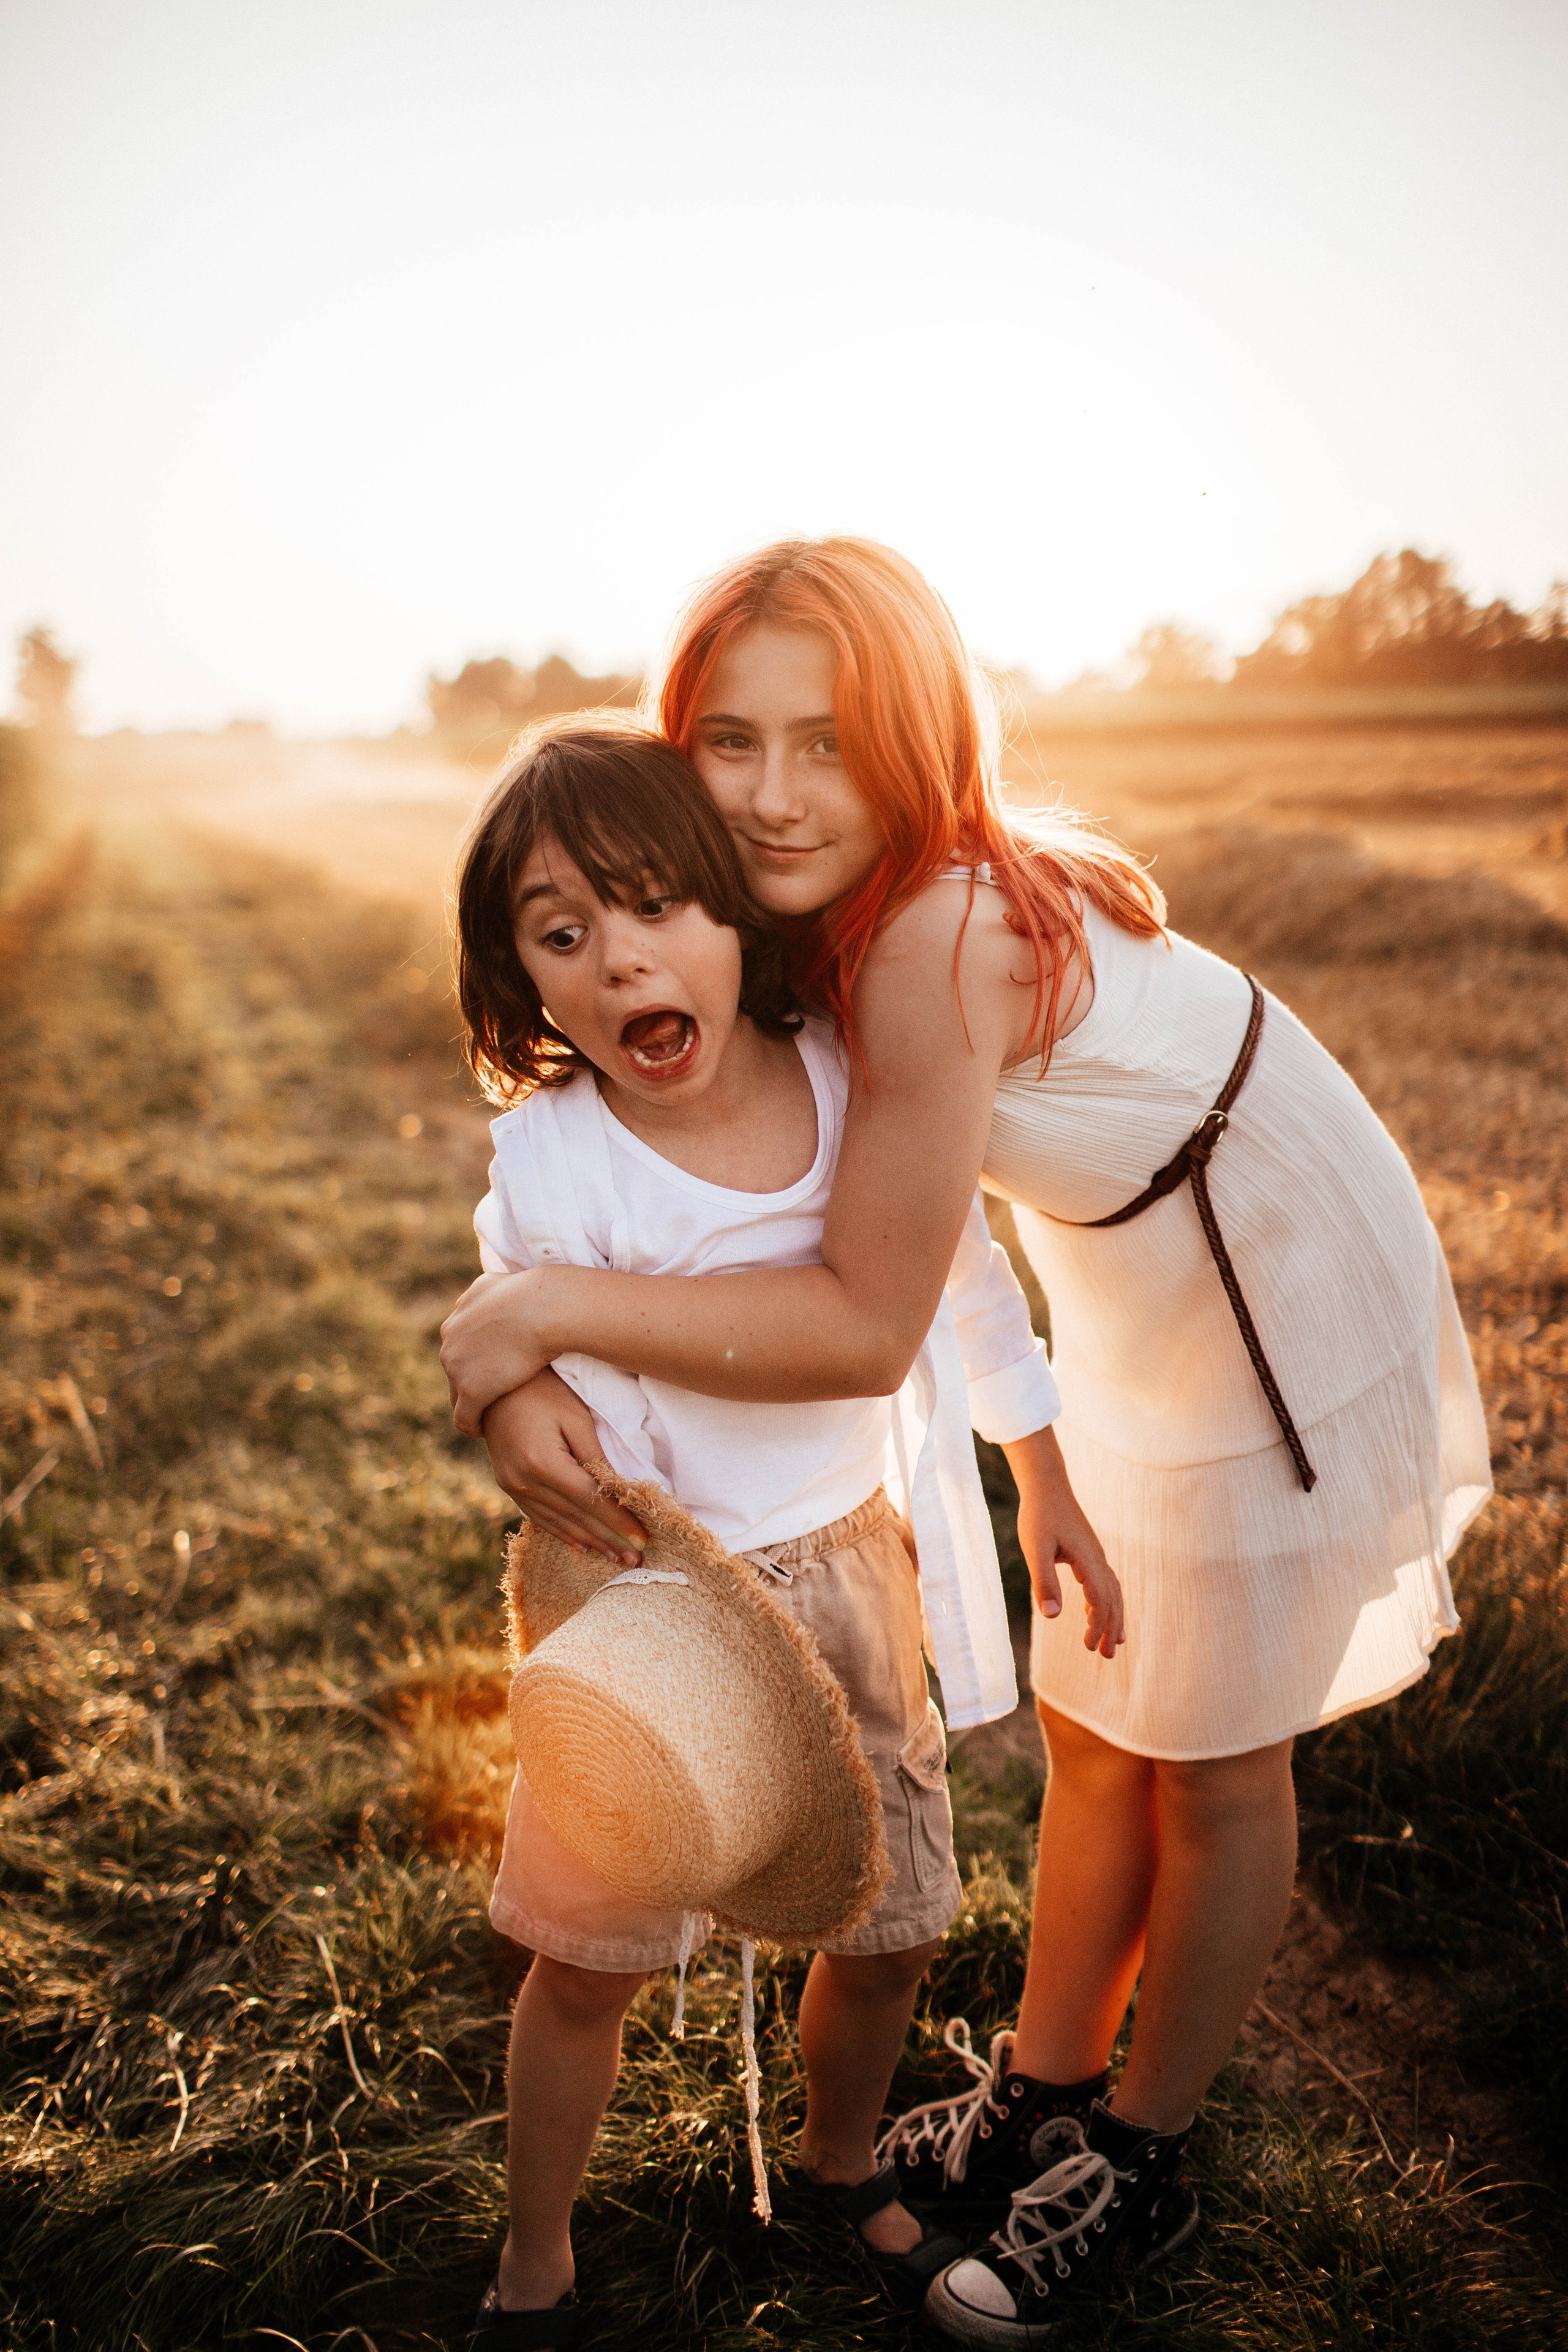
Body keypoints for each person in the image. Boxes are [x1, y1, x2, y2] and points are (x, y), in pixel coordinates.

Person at [440, 540, 1493, 2346]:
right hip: (1134, 1283)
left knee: (1210, 1748)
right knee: (1100, 1725)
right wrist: (1044, 1459)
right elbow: (904, 1253)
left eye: (834, 743)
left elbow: (872, 1308)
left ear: (922, 739)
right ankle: (1042, 2087)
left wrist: (522, 1322)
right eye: (732, 740)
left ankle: (1140, 2157)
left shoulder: (931, 930)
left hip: (1261, 1278)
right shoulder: (802, 932)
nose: (776, 794)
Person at [450, 717, 1123, 2351]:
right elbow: (513, 1347)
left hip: (848, 1562)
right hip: (652, 1597)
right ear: (523, 985)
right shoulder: (552, 1160)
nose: (620, 961)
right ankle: (535, 2253)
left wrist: (1041, 1470)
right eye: (563, 935)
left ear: (738, 917)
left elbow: (961, 1288)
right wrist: (505, 1404)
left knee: (894, 1928)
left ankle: (836, 2160)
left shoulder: (846, 1082)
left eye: (654, 905)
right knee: (590, 1959)